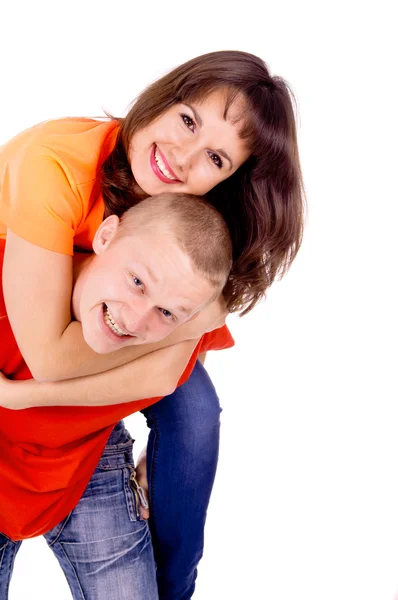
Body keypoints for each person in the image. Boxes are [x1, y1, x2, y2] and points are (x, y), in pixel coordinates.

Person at [0, 50, 305, 599]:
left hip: (92, 343)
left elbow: (171, 372)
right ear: (164, 99)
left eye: (215, 158)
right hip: (21, 319)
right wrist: (187, 321)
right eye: (187, 121)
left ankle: (173, 584)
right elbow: (46, 353)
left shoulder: (198, 223)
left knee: (195, 409)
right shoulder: (58, 163)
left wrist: (188, 319)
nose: (183, 158)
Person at [0, 192, 232, 599]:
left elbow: (192, 368)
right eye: (137, 282)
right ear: (106, 235)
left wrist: (152, 460)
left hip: (86, 464)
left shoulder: (174, 333)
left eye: (167, 314)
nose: (134, 320)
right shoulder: (15, 269)